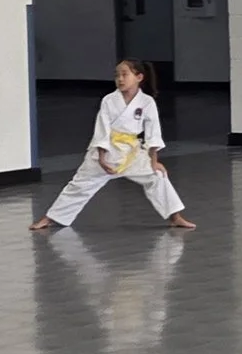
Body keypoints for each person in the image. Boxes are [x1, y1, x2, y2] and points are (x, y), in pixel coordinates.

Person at [31, 60, 194, 232]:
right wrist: (101, 158)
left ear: (139, 77)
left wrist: (154, 161)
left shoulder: (147, 102)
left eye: (125, 74)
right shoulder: (109, 100)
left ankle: (175, 217)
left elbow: (153, 134)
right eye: (117, 75)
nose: (120, 79)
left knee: (157, 176)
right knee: (80, 185)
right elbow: (102, 130)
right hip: (107, 150)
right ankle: (50, 218)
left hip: (132, 153)